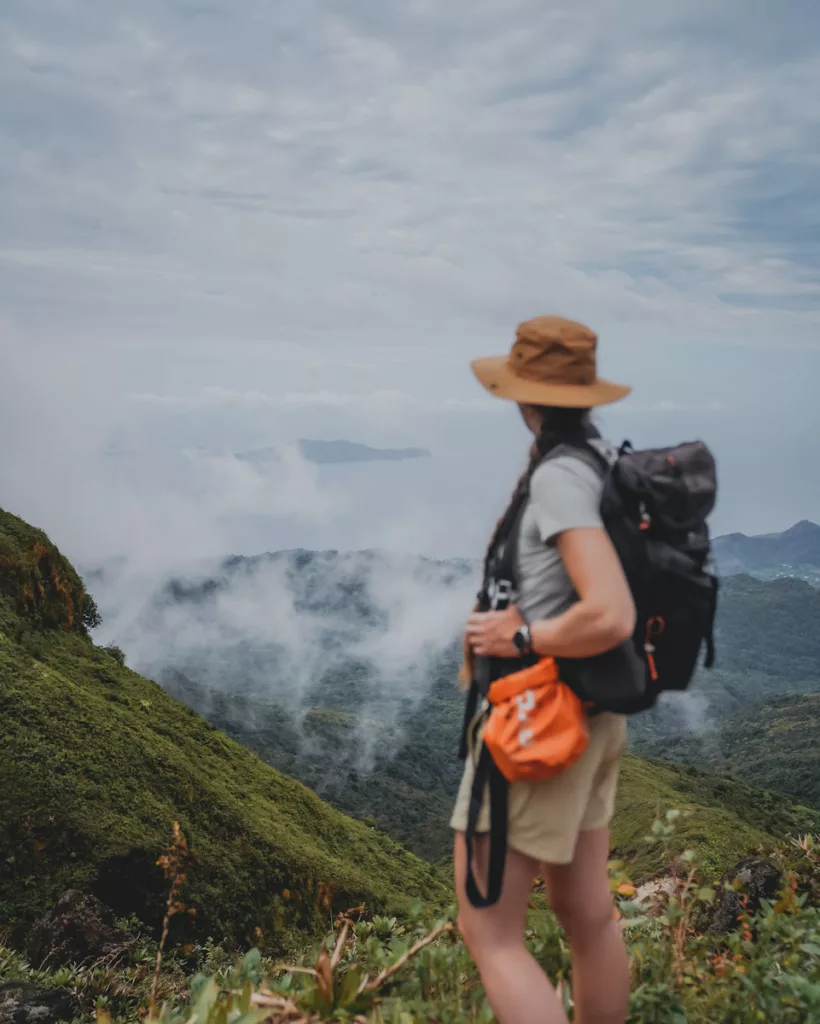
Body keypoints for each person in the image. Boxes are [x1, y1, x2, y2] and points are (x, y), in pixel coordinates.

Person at [450, 315, 635, 1024]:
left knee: (489, 931)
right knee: (586, 911)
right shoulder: (596, 461)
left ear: (525, 396)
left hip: (539, 728)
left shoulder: (559, 476)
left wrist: (522, 634)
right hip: (593, 714)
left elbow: (610, 612)